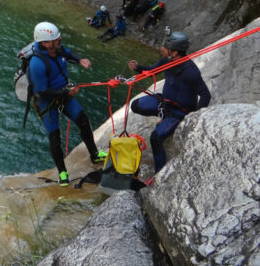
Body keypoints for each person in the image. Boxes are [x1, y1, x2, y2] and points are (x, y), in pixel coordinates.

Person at [29, 22, 107, 185]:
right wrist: (67, 93)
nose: (60, 40)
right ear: (45, 43)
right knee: (55, 136)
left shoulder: (56, 48)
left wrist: (80, 60)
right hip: (47, 102)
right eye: (56, 38)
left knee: (83, 121)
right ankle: (63, 173)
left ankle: (94, 154)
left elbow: (69, 53)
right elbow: (41, 91)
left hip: (64, 94)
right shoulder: (36, 64)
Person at [127, 31, 210, 175]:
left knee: (156, 138)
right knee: (136, 105)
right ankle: (164, 117)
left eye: (165, 47)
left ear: (175, 52)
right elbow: (152, 70)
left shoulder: (190, 72)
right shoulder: (166, 61)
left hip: (179, 111)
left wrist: (193, 118)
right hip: (164, 103)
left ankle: (159, 175)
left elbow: (205, 95)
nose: (162, 49)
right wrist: (138, 68)